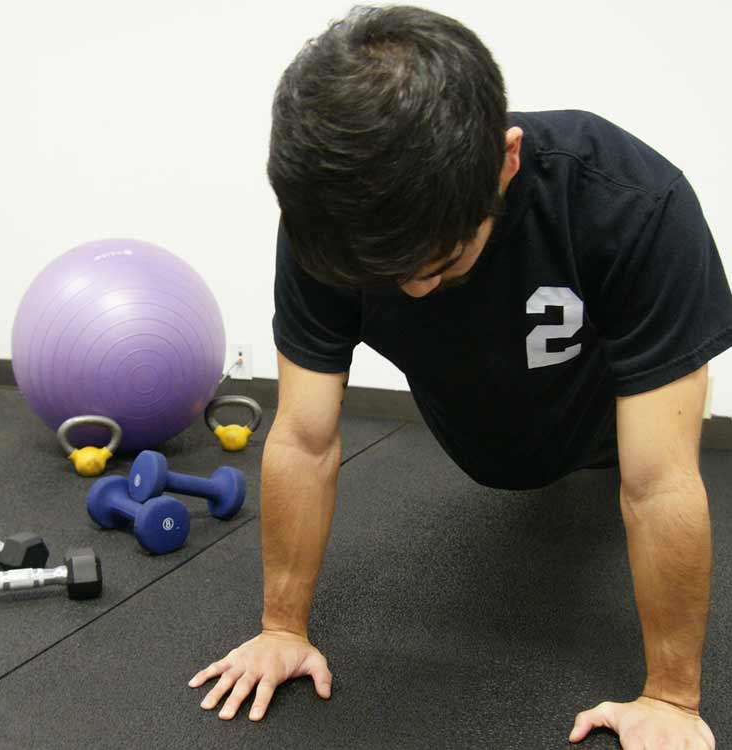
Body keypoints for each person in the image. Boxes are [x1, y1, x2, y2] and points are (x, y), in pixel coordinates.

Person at [189, 6, 729, 746]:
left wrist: (671, 699)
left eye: (439, 264)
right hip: (478, 425)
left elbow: (659, 482)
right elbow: (305, 437)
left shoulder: (631, 206)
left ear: (506, 161)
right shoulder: (330, 225)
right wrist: (281, 627)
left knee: (636, 471)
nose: (412, 291)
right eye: (387, 275)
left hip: (598, 411)